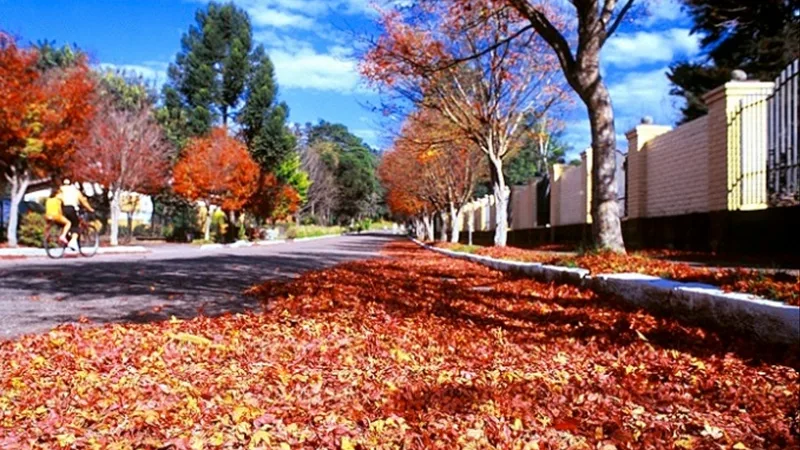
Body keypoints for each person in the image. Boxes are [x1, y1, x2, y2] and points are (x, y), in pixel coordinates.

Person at [58, 179, 95, 247]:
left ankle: (67, 235)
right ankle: (72, 241)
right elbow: (84, 202)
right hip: (71, 208)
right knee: (76, 225)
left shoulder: (60, 189)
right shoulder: (75, 190)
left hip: (61, 209)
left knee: (67, 223)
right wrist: (91, 209)